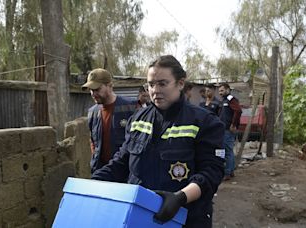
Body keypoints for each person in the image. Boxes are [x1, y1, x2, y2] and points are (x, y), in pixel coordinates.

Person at [92, 55, 225, 228]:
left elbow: (212, 172)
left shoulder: (204, 122)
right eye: (150, 84)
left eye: (162, 83)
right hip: (140, 216)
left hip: (185, 218)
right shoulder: (137, 119)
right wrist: (92, 183)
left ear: (180, 83)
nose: (155, 90)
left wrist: (181, 197)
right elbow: (121, 162)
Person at [82, 68, 137, 174]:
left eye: (97, 89)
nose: (93, 94)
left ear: (110, 86)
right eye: (91, 90)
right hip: (101, 172)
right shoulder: (92, 112)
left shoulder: (131, 107)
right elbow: (93, 142)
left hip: (125, 173)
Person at [218, 83, 242, 181]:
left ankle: (227, 173)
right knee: (227, 151)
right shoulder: (224, 100)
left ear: (228, 90)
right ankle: (230, 171)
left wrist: (233, 124)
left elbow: (238, 111)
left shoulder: (231, 99)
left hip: (228, 129)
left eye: (222, 90)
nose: (220, 93)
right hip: (223, 129)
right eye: (219, 91)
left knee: (227, 151)